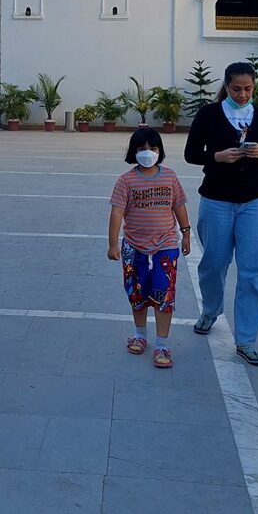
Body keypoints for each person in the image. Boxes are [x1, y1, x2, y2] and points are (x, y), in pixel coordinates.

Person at [183, 61, 258, 366]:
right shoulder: (209, 114)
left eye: (248, 89)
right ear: (225, 85)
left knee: (254, 271)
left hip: (254, 201)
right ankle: (211, 309)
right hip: (216, 200)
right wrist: (216, 156)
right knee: (213, 264)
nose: (242, 94)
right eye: (236, 88)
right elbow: (190, 153)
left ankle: (247, 339)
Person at [108, 127, 191, 368]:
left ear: (160, 151)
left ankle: (163, 345)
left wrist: (186, 234)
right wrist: (113, 244)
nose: (147, 153)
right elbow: (117, 212)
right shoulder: (126, 181)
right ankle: (140, 334)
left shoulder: (170, 177)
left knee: (164, 294)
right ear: (133, 152)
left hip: (166, 246)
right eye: (142, 149)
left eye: (153, 148)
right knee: (137, 292)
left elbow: (179, 207)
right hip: (134, 248)